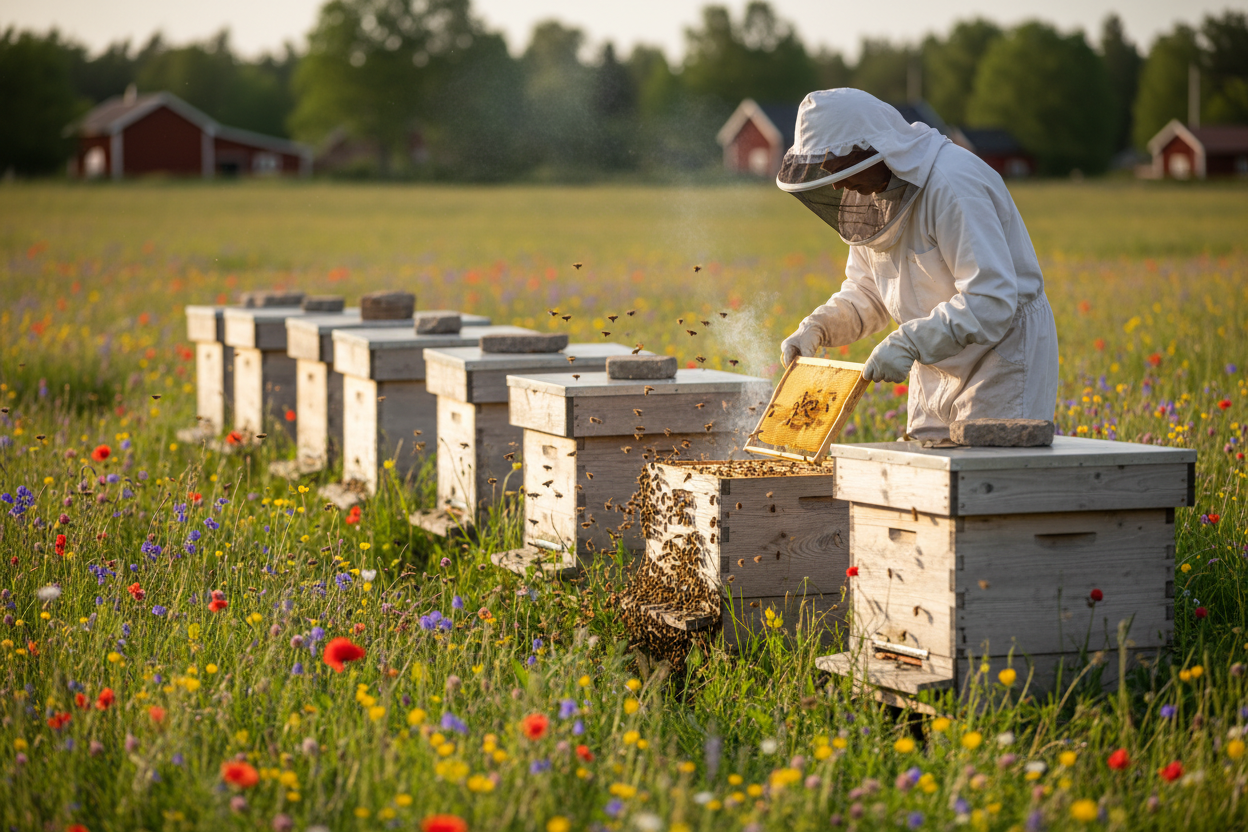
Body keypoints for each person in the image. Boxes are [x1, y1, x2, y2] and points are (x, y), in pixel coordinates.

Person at [777, 88, 1059, 439]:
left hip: (1000, 358)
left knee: (982, 480)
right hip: (934, 359)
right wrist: (818, 327)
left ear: (871, 149)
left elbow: (991, 300)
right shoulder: (870, 199)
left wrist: (910, 342)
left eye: (839, 171)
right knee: (923, 477)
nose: (836, 187)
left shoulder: (953, 184)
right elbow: (869, 292)